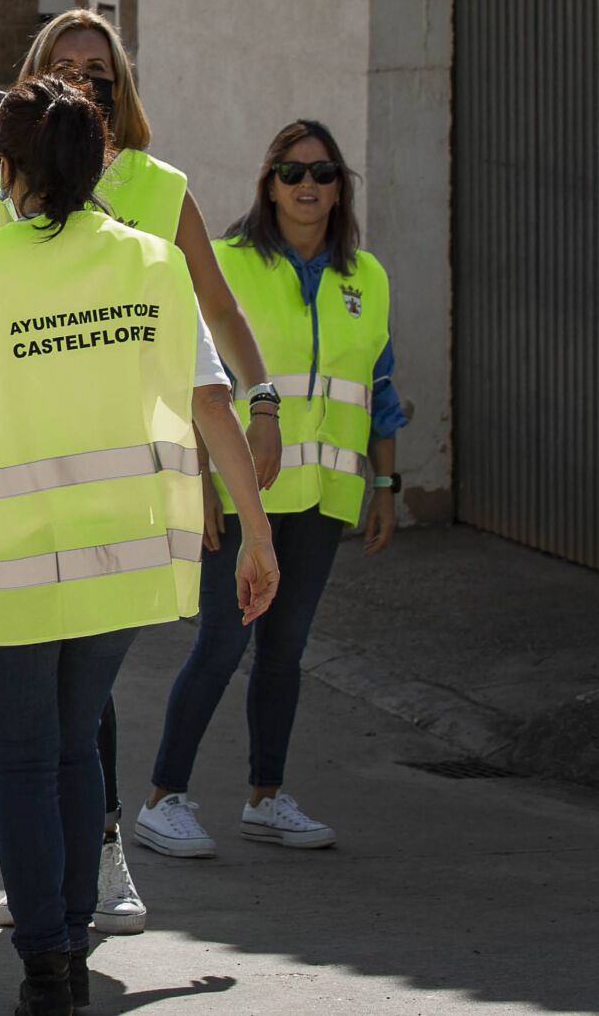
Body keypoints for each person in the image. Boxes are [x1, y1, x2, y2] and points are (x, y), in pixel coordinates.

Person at [0, 74, 280, 1016]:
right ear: (101, 162)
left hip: (8, 561)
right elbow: (210, 405)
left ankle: (48, 965)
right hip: (121, 556)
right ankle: (63, 938)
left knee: (23, 759)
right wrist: (255, 534)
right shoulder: (150, 264)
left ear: (9, 169)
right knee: (73, 746)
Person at [138, 120, 404, 859]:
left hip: (323, 496)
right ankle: (164, 797)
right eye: (291, 172)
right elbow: (182, 376)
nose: (307, 185)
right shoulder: (224, 263)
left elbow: (380, 389)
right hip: (242, 494)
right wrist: (201, 481)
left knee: (286, 650)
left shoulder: (368, 278)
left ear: (340, 186)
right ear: (269, 184)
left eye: (322, 173)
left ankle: (266, 797)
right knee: (223, 643)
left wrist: (386, 481)